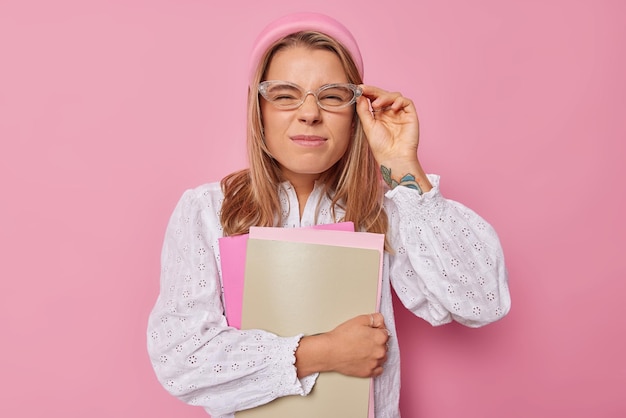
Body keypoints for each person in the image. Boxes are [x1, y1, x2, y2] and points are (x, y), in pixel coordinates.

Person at [147, 11, 511, 418]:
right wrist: (323, 352)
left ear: (357, 114)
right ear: (258, 110)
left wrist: (403, 168)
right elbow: (180, 359)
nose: (309, 113)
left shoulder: (387, 211)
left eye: (332, 95)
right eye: (285, 95)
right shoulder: (206, 210)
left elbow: (482, 301)